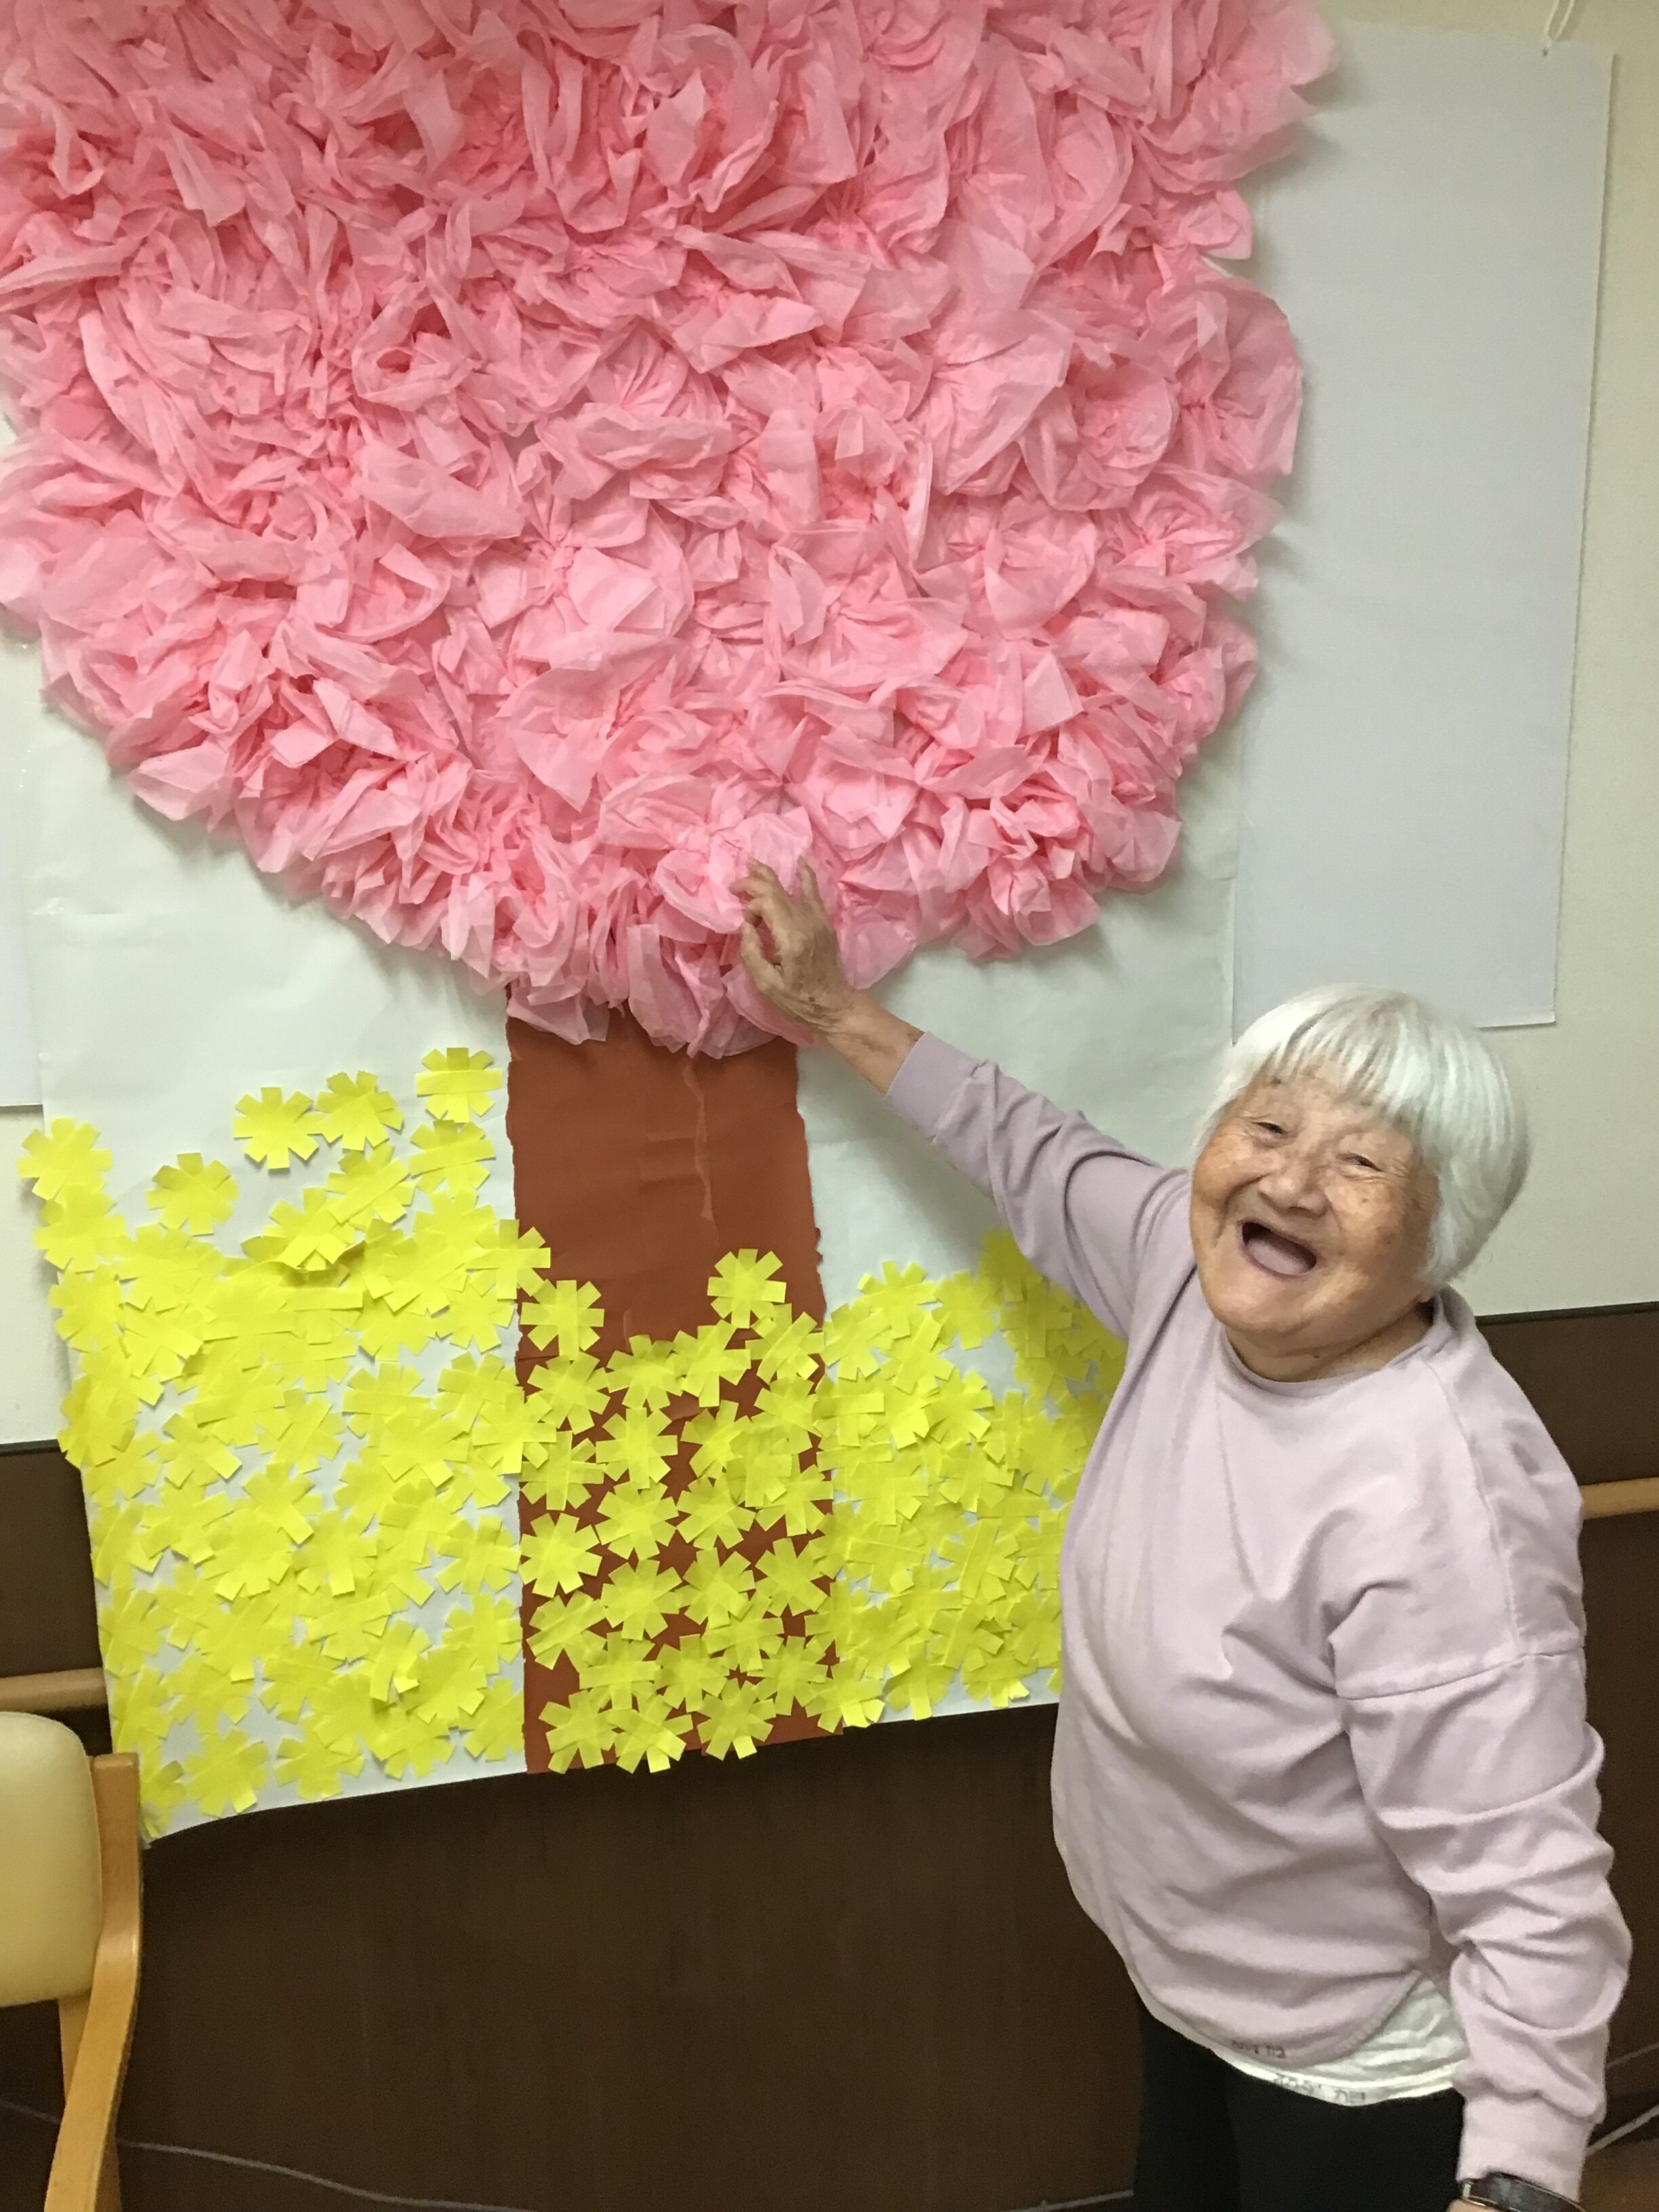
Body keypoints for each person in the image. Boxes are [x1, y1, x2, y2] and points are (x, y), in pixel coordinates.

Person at [738, 861, 1629, 2212]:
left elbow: (1533, 1886)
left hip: (1357, 2058)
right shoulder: (1180, 1262)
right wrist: (832, 1008)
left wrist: (1518, 2180)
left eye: (1362, 1162)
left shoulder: (1442, 1496)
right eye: (1266, 1126)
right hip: (1192, 1981)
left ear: (1439, 1240)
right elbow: (1029, 1149)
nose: (1293, 1178)